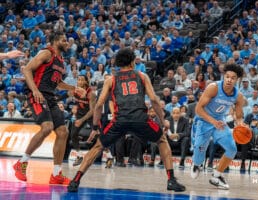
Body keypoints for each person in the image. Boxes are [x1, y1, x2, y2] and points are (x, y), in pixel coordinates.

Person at [67, 48, 185, 192]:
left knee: (98, 146)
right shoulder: (142, 76)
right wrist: (163, 120)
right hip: (140, 119)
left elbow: (98, 105)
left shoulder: (111, 79)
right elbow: (154, 99)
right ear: (131, 62)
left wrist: (95, 127)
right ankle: (171, 180)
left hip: (119, 120)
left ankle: (75, 181)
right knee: (162, 140)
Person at [13, 31, 86, 185]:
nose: (67, 43)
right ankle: (21, 163)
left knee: (63, 131)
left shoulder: (61, 61)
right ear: (55, 41)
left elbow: (58, 83)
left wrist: (73, 88)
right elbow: (26, 69)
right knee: (47, 127)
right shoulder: (47, 53)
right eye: (64, 40)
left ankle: (56, 174)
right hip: (36, 94)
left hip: (50, 96)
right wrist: (35, 90)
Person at [190, 63, 245, 190]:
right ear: (224, 77)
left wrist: (240, 124)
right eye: (227, 76)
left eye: (233, 77)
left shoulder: (238, 96)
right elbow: (198, 109)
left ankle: (217, 175)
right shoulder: (213, 87)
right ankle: (197, 163)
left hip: (220, 122)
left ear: (237, 80)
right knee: (199, 149)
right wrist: (213, 121)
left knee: (232, 149)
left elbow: (239, 115)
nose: (229, 80)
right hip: (203, 120)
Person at [71, 75, 96, 166]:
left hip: (91, 116)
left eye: (81, 80)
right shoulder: (75, 91)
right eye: (78, 79)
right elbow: (71, 98)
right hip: (80, 115)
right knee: (73, 134)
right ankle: (79, 155)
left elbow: (92, 110)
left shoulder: (91, 94)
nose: (79, 81)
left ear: (86, 82)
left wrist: (81, 120)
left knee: (99, 137)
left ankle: (109, 156)